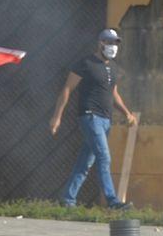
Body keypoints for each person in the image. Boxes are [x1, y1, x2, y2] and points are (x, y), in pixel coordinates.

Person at [49, 27, 137, 209]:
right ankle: (112, 201)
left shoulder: (113, 68)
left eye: (115, 43)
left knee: (85, 162)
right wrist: (56, 117)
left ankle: (68, 200)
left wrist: (127, 113)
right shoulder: (86, 63)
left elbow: (114, 94)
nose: (112, 46)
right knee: (104, 157)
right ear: (100, 43)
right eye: (109, 42)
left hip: (106, 120)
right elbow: (67, 89)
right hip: (90, 117)